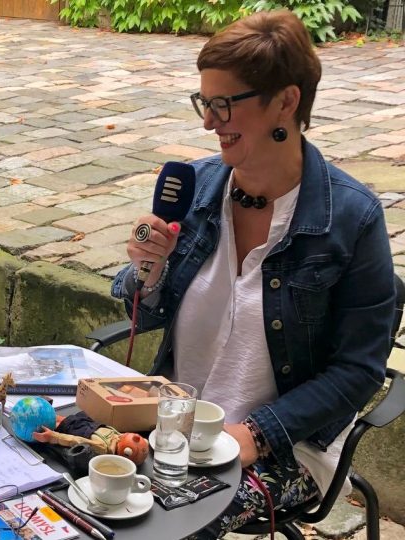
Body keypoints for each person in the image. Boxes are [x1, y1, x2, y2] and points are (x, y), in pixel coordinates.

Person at [113, 10, 395, 538]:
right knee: (69, 468)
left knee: (160, 522)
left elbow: (359, 370)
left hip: (288, 447)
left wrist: (257, 434)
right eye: (203, 102)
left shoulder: (352, 218)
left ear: (286, 102)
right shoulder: (196, 187)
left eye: (223, 104)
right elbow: (138, 307)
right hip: (175, 425)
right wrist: (146, 272)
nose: (208, 122)